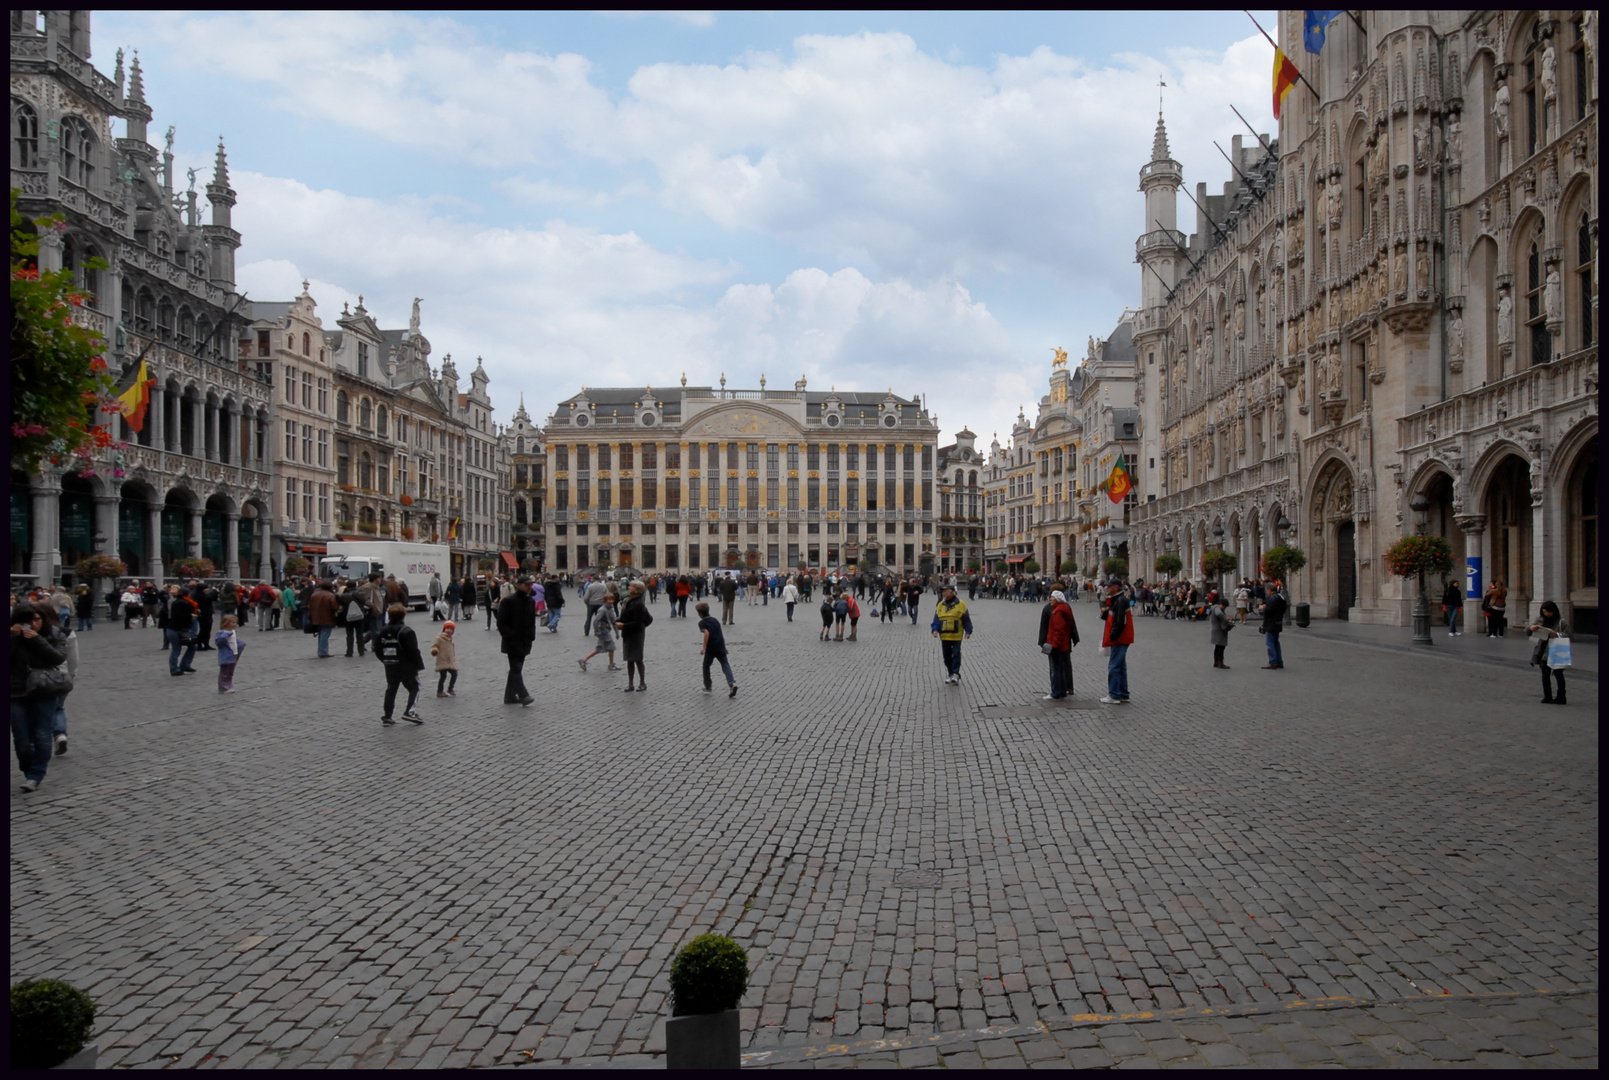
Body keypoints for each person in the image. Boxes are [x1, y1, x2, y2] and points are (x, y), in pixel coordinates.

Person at [11, 604, 67, 793]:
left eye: (37, 620)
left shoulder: (53, 634)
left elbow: (57, 658)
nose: (33, 625)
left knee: (42, 733)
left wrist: (37, 640)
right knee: (21, 738)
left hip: (44, 689)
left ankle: (35, 774)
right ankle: (28, 768)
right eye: (28, 621)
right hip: (15, 691)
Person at [374, 604, 425, 725]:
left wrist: (385, 659)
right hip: (406, 665)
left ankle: (387, 716)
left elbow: (377, 648)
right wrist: (419, 665)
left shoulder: (382, 631)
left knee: (391, 689)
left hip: (390, 664)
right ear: (403, 616)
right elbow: (413, 650)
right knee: (415, 687)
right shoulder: (406, 631)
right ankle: (410, 712)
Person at [497, 577, 537, 706]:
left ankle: (509, 696)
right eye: (526, 585)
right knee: (516, 667)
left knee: (516, 668)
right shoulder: (508, 601)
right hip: (512, 641)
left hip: (525, 640)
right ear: (519, 585)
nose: (529, 587)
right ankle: (523, 694)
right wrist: (509, 636)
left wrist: (532, 636)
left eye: (530, 585)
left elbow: (532, 621)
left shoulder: (530, 601)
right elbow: (501, 622)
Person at [1526, 601, 1569, 705]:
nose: (1546, 614)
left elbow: (1569, 635)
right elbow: (1527, 631)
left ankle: (1561, 697)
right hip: (1543, 649)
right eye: (1544, 612)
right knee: (1545, 674)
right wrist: (1531, 628)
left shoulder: (1561, 621)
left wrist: (1557, 634)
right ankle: (1547, 696)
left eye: (1549, 612)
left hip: (1556, 650)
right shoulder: (1540, 620)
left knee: (1558, 674)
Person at [1039, 589, 1078, 699]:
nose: (1050, 599)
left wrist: (1054, 645)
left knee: (1055, 670)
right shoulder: (1065, 609)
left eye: (1052, 597)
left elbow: (1058, 630)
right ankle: (1063, 690)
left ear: (1057, 599)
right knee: (1061, 668)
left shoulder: (1057, 612)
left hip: (1057, 646)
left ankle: (1056, 692)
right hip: (1064, 645)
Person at [930, 584, 973, 685]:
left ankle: (955, 673)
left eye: (946, 591)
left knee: (956, 654)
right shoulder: (940, 605)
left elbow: (966, 619)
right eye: (943, 591)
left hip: (956, 635)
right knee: (947, 656)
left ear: (952, 592)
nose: (943, 593)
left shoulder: (960, 604)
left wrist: (968, 631)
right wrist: (935, 630)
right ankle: (950, 673)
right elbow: (936, 619)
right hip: (944, 636)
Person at [615, 581, 654, 692]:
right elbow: (625, 616)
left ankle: (642, 682)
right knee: (629, 659)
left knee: (637, 659)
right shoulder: (628, 600)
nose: (628, 587)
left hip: (636, 634)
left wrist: (624, 625)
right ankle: (630, 683)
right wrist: (618, 621)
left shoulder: (638, 604)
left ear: (637, 590)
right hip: (628, 633)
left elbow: (639, 622)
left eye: (631, 586)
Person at [1099, 580, 1133, 703]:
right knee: (1121, 666)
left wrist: (1113, 636)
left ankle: (1114, 694)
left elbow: (1120, 622)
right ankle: (1123, 693)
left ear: (1116, 587)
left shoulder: (1120, 601)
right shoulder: (1117, 600)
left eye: (1109, 587)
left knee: (1114, 667)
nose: (1107, 589)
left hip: (1120, 638)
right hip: (1123, 637)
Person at [695, 601, 738, 697]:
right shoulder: (715, 620)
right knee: (725, 664)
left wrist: (704, 647)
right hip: (720, 645)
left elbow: (706, 633)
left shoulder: (702, 623)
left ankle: (708, 685)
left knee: (706, 666)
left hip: (711, 648)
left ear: (700, 614)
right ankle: (732, 683)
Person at [161, 584, 200, 676]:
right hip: (176, 629)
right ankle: (174, 669)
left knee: (192, 646)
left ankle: (184, 665)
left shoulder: (183, 602)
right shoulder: (180, 603)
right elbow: (177, 616)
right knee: (176, 649)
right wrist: (190, 615)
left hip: (179, 629)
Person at [578, 592, 619, 672]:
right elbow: (596, 621)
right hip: (604, 632)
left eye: (612, 600)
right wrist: (598, 632)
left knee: (600, 648)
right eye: (609, 600)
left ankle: (584, 660)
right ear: (605, 600)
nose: (610, 601)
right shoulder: (602, 610)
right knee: (611, 647)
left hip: (606, 631)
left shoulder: (610, 608)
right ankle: (611, 664)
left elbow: (614, 621)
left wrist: (617, 632)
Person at [1260, 580, 1288, 670]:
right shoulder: (1281, 597)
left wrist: (1263, 608)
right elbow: (1284, 607)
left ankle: (1273, 662)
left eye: (1267, 590)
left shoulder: (1273, 598)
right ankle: (1279, 661)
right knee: (1276, 642)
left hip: (1271, 623)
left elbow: (1269, 611)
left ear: (1270, 590)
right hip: (1278, 622)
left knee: (1270, 643)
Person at [307, 579, 340, 658]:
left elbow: (310, 606)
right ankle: (323, 651)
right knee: (325, 634)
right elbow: (334, 607)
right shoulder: (330, 595)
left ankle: (321, 650)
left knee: (321, 634)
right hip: (327, 617)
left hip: (316, 617)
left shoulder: (314, 595)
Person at [215, 614, 244, 693]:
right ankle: (223, 687)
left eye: (235, 622)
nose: (235, 624)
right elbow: (219, 642)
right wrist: (225, 635)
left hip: (233, 653)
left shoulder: (233, 632)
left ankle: (229, 684)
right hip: (226, 654)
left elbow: (234, 641)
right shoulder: (222, 633)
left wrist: (240, 644)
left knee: (230, 671)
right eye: (233, 623)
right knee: (225, 671)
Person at [431, 621, 459, 697]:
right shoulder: (439, 638)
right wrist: (434, 650)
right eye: (447, 628)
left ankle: (450, 688)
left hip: (450, 661)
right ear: (444, 629)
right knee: (443, 676)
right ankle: (439, 691)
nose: (449, 630)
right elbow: (435, 645)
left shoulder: (451, 639)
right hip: (442, 660)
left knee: (454, 674)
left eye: (451, 629)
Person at [1208, 591, 1234, 669]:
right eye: (1224, 607)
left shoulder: (1213, 607)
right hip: (1219, 630)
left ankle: (1216, 662)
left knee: (1217, 646)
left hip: (1214, 630)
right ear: (1221, 604)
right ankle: (1220, 663)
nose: (1224, 608)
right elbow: (1219, 614)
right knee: (1221, 647)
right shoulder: (1217, 608)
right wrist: (1226, 618)